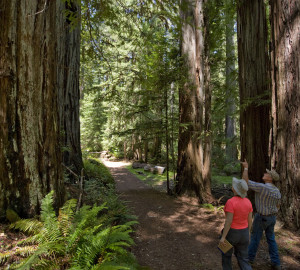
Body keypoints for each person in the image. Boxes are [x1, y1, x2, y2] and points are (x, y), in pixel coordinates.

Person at [241, 160, 281, 270]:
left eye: (267, 173)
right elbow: (278, 205)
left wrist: (245, 168)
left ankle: (249, 260)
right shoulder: (277, 191)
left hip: (261, 217)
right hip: (272, 218)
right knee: (271, 239)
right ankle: (276, 262)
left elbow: (246, 182)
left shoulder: (263, 188)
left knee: (255, 238)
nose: (265, 173)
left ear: (270, 178)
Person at [219, 177, 253, 270]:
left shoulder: (230, 202)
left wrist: (223, 237)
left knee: (226, 256)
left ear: (234, 189)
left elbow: (229, 221)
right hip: (244, 232)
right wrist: (248, 232)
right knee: (243, 258)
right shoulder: (248, 202)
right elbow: (250, 220)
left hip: (232, 233)